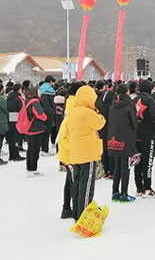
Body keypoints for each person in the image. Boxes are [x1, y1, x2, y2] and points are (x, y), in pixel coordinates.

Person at [58, 85, 106, 220]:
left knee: (78, 185)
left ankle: (76, 212)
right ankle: (83, 215)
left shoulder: (72, 113)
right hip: (88, 154)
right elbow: (101, 122)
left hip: (76, 155)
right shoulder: (88, 113)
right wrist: (95, 110)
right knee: (87, 186)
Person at [107, 83, 138, 202]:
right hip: (126, 138)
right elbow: (133, 123)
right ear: (127, 92)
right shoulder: (130, 105)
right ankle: (124, 192)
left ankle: (115, 191)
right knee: (125, 166)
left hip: (113, 138)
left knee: (117, 166)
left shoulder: (112, 105)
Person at [133, 79, 155, 198]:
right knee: (148, 163)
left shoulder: (133, 100)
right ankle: (147, 187)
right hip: (148, 135)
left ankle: (139, 187)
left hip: (135, 135)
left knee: (137, 161)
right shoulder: (151, 101)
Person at [21, 86, 48, 177]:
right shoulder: (35, 102)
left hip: (28, 128)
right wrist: (45, 117)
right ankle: (33, 169)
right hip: (35, 129)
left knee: (30, 149)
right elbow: (40, 115)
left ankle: (29, 168)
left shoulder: (26, 101)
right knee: (35, 150)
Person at [95, 80, 115, 178]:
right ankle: (112, 171)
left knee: (102, 149)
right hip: (109, 127)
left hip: (99, 126)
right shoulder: (111, 102)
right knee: (110, 148)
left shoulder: (96, 99)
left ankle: (104, 170)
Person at [6, 84, 25, 161]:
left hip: (9, 118)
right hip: (17, 118)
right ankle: (16, 155)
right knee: (17, 137)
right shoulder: (18, 98)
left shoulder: (8, 97)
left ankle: (11, 155)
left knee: (11, 138)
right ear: (19, 89)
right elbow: (22, 108)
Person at [39, 76, 56, 156]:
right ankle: (45, 150)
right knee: (47, 131)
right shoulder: (50, 90)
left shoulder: (40, 88)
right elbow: (52, 103)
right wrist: (54, 110)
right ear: (50, 81)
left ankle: (41, 148)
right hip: (49, 112)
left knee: (41, 130)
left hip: (40, 112)